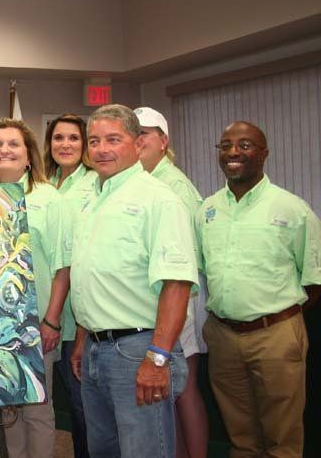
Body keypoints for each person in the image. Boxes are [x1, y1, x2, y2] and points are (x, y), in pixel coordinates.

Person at [69, 104, 197, 458]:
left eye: (113, 139)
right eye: (94, 141)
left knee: (145, 451)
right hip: (96, 349)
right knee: (104, 451)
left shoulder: (159, 200)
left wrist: (157, 359)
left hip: (138, 350)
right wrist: (83, 339)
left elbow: (177, 283)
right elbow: (91, 276)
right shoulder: (93, 199)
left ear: (139, 144)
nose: (101, 149)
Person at [196, 121, 321, 458]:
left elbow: (314, 281)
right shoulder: (207, 210)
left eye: (245, 145)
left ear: (264, 153)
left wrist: (275, 317)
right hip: (223, 336)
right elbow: (206, 270)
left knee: (282, 437)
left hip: (276, 335)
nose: (234, 152)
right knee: (241, 436)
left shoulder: (291, 209)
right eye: (225, 145)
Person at [0, 119, 72, 458]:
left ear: (29, 156)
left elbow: (63, 267)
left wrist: (50, 321)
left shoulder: (49, 199)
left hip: (37, 324)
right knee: (8, 408)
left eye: (13, 144)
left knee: (36, 407)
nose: (5, 150)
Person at [134, 106, 208, 458]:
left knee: (185, 390)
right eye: (134, 132)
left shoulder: (173, 187)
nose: (139, 139)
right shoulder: (141, 180)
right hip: (155, 304)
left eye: (146, 133)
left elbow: (185, 263)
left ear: (163, 141)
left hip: (178, 304)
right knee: (173, 393)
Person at [42, 113, 96, 458]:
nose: (65, 144)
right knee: (58, 402)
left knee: (83, 407)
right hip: (49, 312)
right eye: (58, 138)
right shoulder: (46, 185)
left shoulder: (94, 184)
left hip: (79, 318)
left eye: (73, 138)